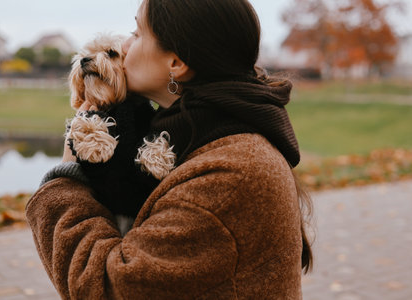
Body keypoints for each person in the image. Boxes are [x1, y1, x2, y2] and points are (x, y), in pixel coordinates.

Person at [25, 0, 313, 299]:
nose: (124, 46)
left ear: (176, 63)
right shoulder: (192, 136)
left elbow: (108, 287)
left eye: (136, 34)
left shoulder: (231, 172)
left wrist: (68, 177)